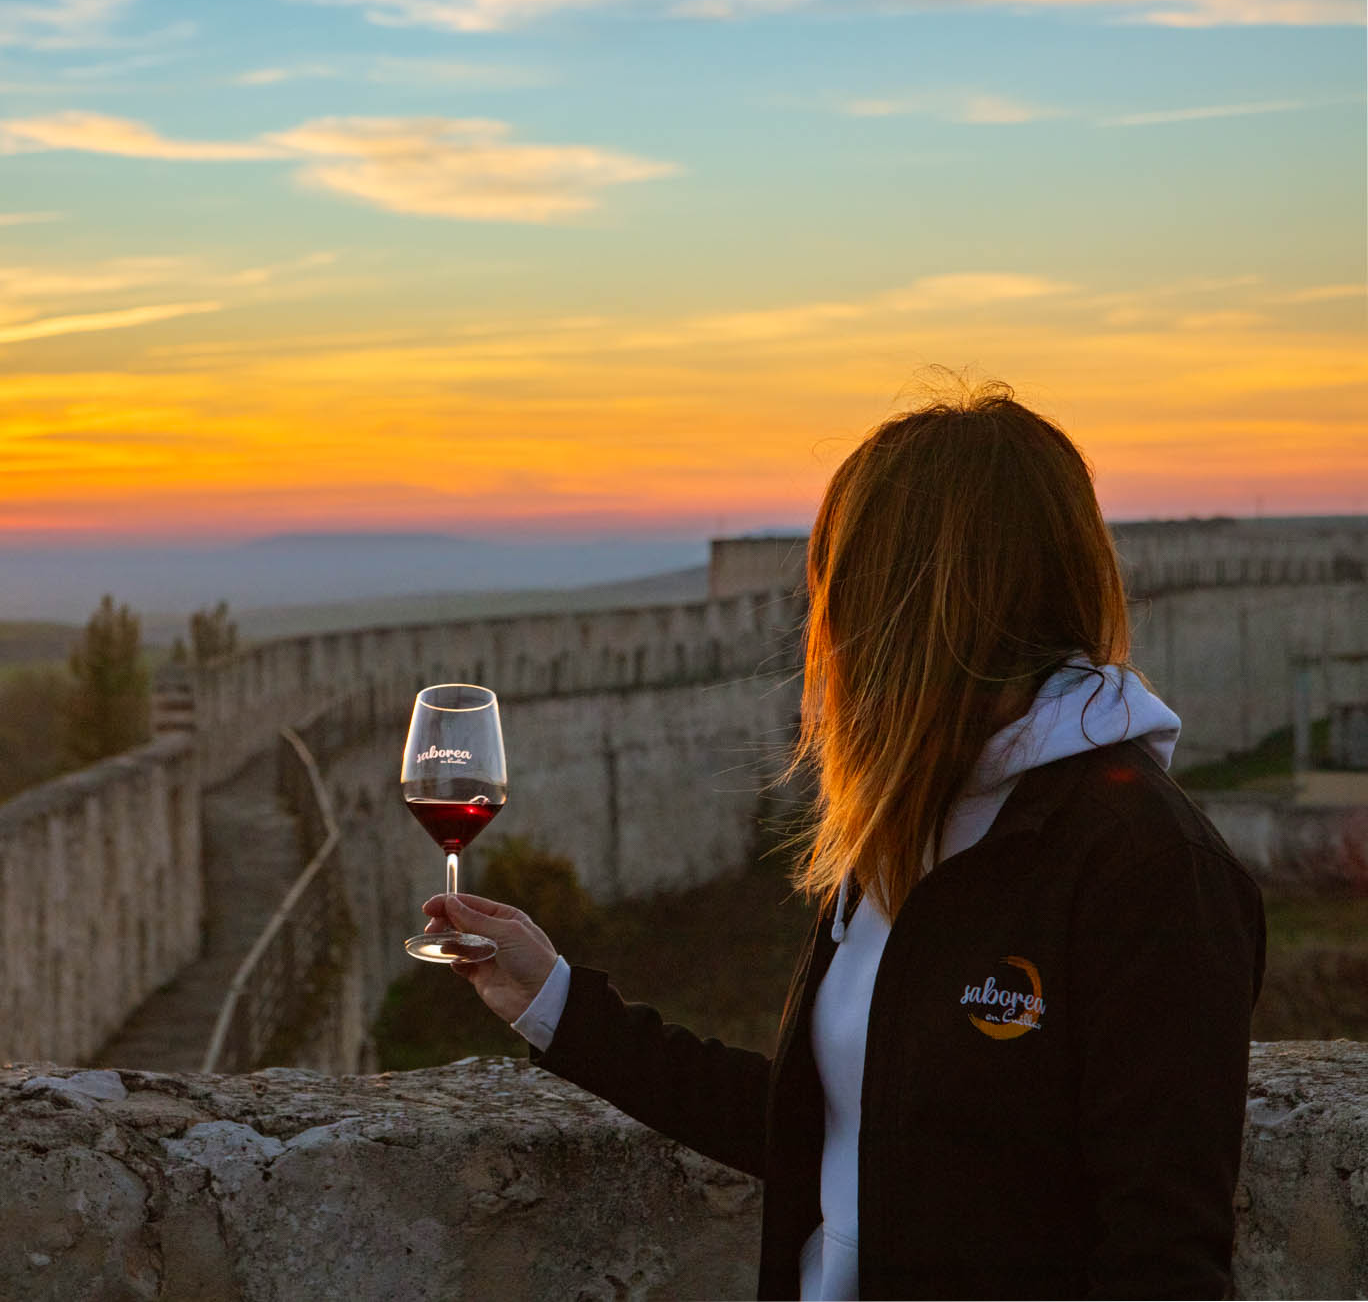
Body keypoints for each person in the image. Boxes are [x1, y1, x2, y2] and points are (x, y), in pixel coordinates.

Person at [424, 382, 1266, 1300]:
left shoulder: (1144, 867)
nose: (825, 628)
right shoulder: (913, 819)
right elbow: (822, 1117)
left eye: (840, 587)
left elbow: (1165, 1267)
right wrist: (549, 998)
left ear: (919, 608)